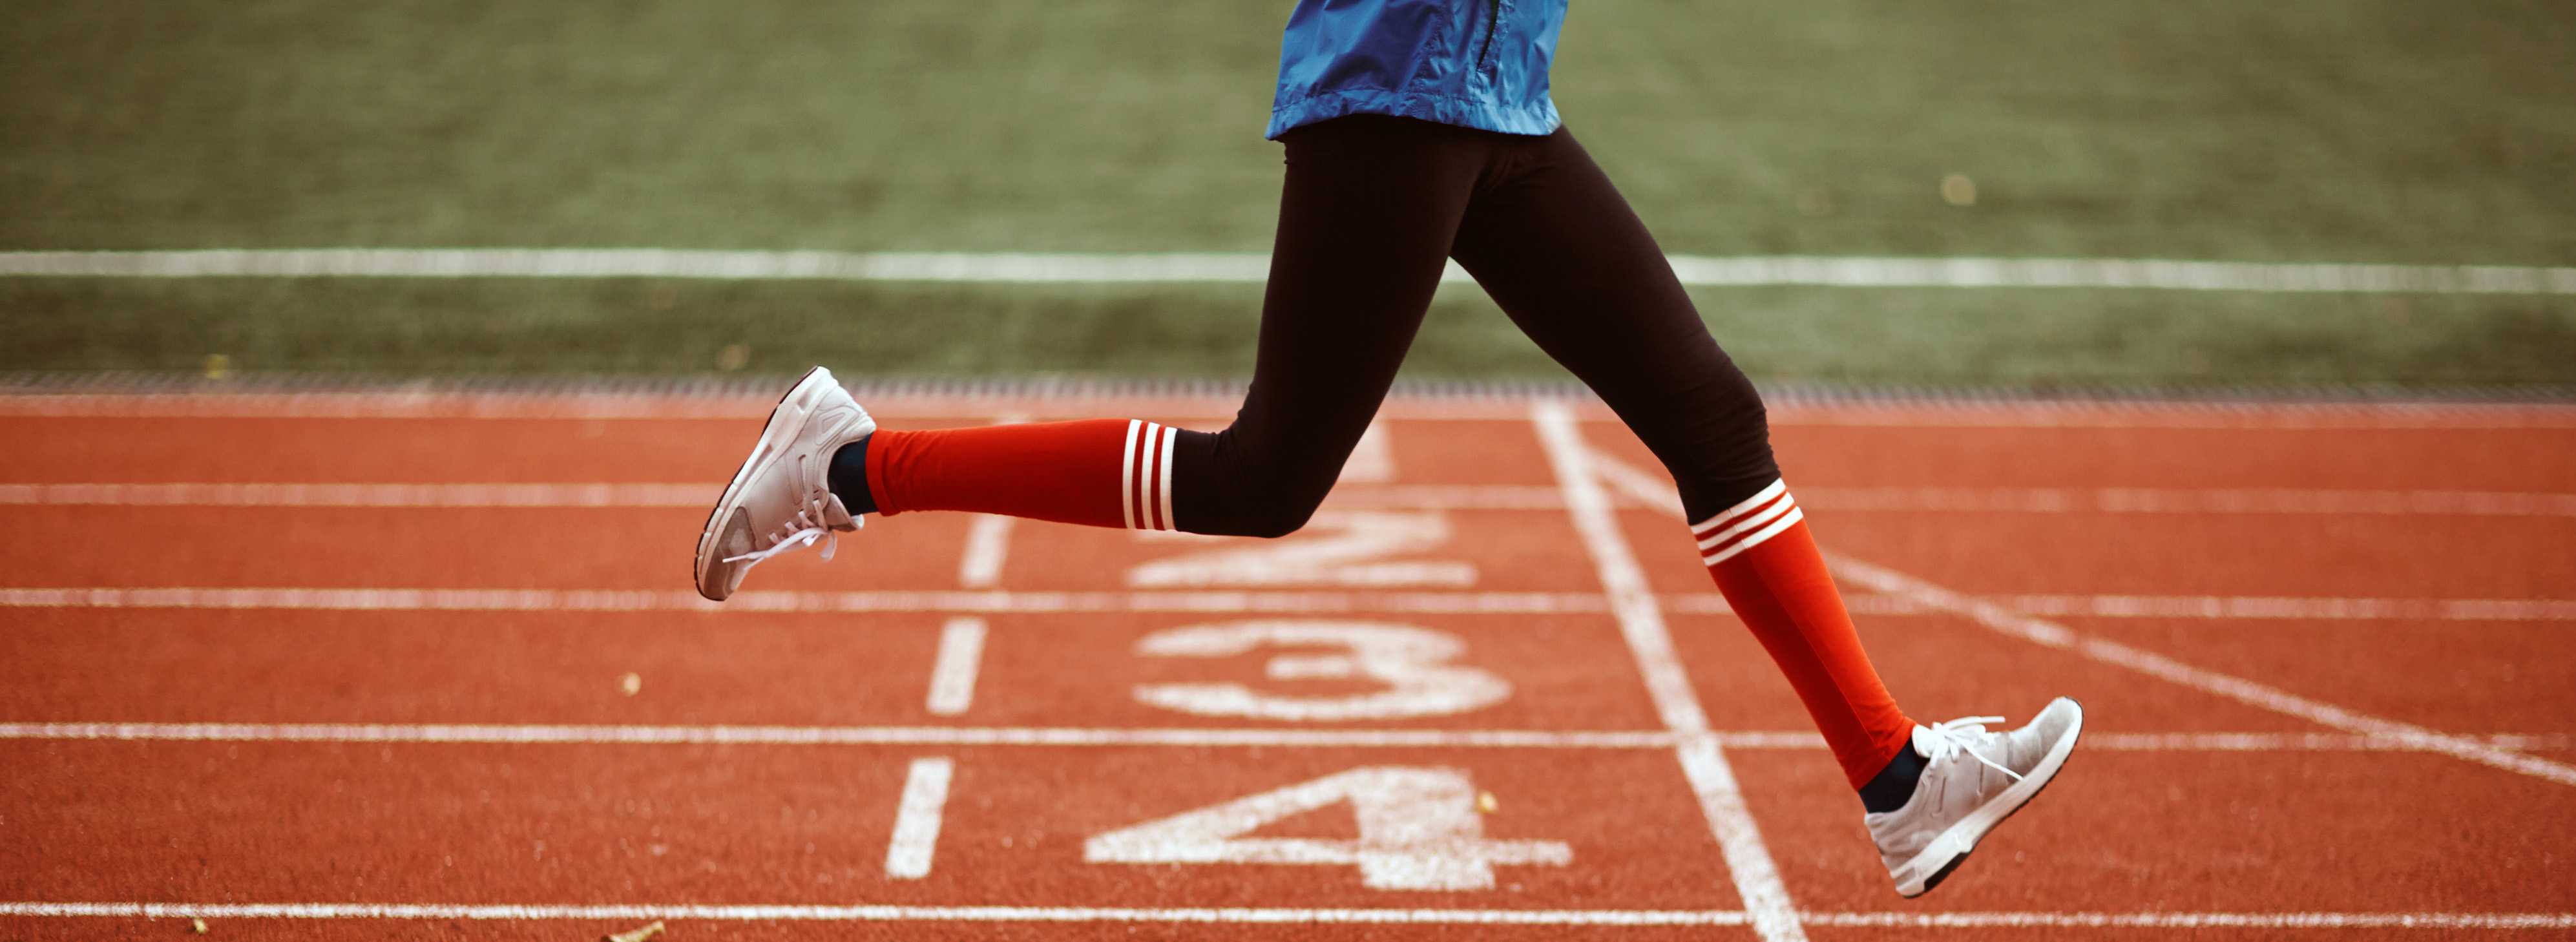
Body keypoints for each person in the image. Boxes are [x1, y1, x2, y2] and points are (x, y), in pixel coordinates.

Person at [692, 0, 2079, 897]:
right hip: (1398, 91)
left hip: (1498, 96)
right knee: (1264, 483)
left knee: (1712, 419)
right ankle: (845, 467)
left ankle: (1896, 782)